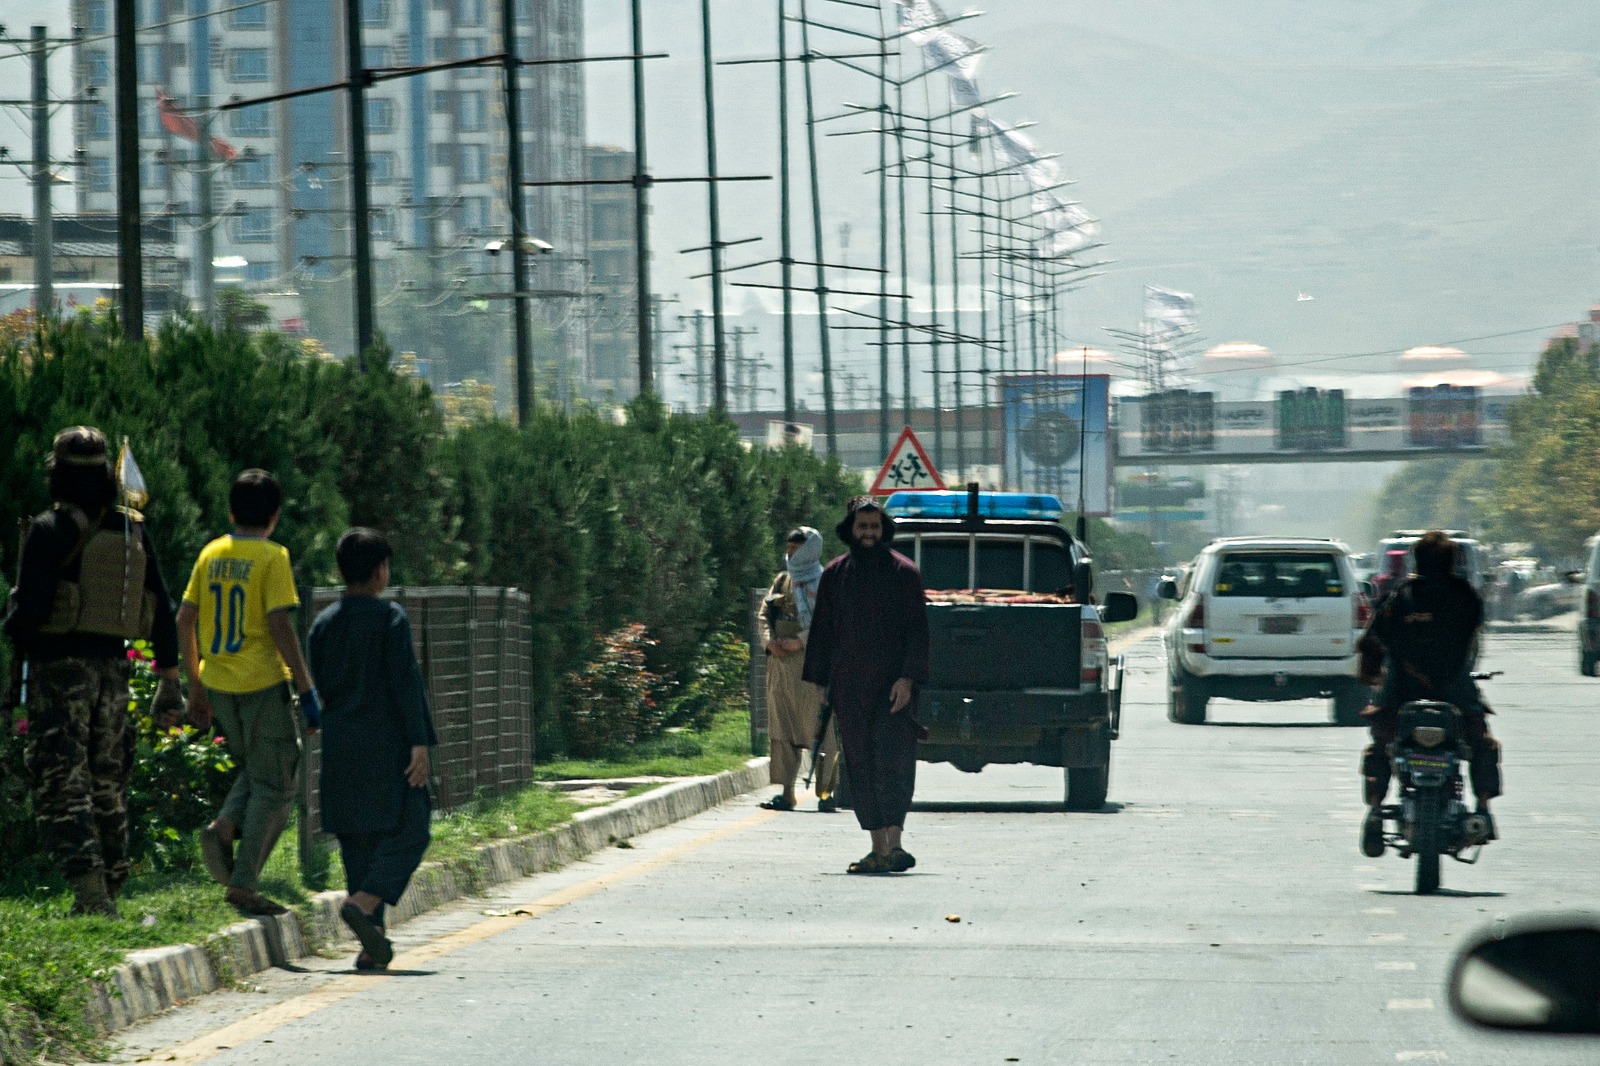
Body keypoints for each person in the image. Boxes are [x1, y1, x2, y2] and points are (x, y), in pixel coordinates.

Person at [2, 426, 184, 916]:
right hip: (113, 674)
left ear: (56, 474)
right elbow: (161, 609)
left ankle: (89, 891)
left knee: (63, 780)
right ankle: (112, 883)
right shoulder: (131, 530)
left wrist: (11, 618)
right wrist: (169, 679)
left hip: (61, 674)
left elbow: (31, 615)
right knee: (108, 779)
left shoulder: (48, 530)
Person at [177, 469, 321, 916]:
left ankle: (225, 826)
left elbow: (184, 619)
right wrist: (306, 687)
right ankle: (243, 883)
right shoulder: (273, 557)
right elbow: (280, 624)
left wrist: (195, 687)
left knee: (259, 769)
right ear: (275, 516)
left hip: (218, 683)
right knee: (277, 784)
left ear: (230, 511)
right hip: (261, 683)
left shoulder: (211, 553)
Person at [307, 528, 437, 971]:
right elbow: (405, 683)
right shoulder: (390, 619)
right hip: (387, 743)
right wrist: (419, 741)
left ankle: (372, 942)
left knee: (359, 841)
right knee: (412, 825)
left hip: (341, 743)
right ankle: (363, 905)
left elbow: (319, 684)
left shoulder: (322, 624)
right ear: (381, 571)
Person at [802, 496, 929, 874]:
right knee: (860, 764)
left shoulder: (904, 573)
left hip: (894, 690)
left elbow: (917, 633)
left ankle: (895, 843)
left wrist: (907, 679)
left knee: (895, 762)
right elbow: (823, 632)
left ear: (883, 529)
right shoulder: (835, 575)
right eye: (863, 527)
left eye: (875, 527)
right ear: (851, 531)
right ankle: (876, 847)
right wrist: (822, 683)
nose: (869, 534)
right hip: (849, 687)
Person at [1356, 530, 1501, 858]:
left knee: (1380, 745)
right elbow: (1472, 635)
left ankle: (1376, 811)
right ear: (1453, 561)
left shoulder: (1398, 598)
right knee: (1482, 743)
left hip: (1400, 691)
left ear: (1415, 560)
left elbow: (1370, 643)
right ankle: (1483, 809)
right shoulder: (1466, 596)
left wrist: (1371, 677)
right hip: (1455, 689)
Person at [758, 528, 840, 812]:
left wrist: (799, 642)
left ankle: (826, 794)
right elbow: (764, 615)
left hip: (812, 667)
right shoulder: (782, 580)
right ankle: (786, 792)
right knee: (782, 731)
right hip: (780, 669)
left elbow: (830, 624)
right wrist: (770, 642)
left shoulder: (826, 582)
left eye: (797, 548)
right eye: (789, 547)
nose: (790, 553)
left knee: (821, 730)